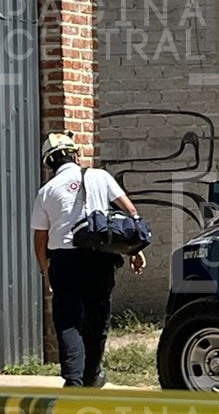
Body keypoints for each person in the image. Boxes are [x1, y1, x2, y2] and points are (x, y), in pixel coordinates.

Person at [31, 131, 146, 387]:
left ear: (49, 164)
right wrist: (134, 251)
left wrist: (46, 272)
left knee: (68, 320)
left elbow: (40, 241)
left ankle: (74, 381)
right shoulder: (99, 176)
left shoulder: (46, 192)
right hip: (100, 257)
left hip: (64, 261)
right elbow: (131, 213)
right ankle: (92, 375)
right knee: (97, 316)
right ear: (76, 154)